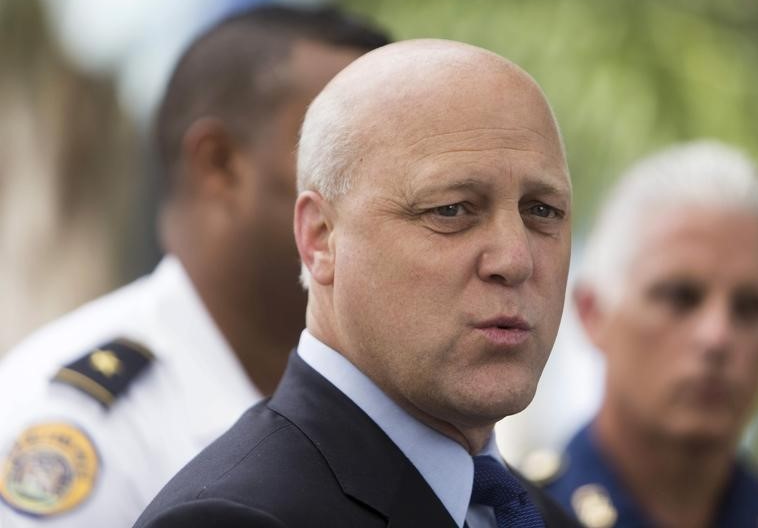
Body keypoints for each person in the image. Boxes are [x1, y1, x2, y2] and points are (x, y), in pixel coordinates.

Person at [133, 39, 580, 528]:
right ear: (320, 238)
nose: (514, 260)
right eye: (450, 210)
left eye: (542, 211)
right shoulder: (234, 518)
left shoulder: (535, 514)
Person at [0, 5, 389, 528]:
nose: (389, 191)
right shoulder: (82, 423)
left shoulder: (395, 387)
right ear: (220, 164)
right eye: (339, 154)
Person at [538, 141, 758, 527]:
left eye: (750, 308)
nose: (718, 337)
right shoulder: (513, 516)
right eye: (680, 297)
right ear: (593, 313)